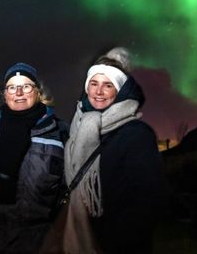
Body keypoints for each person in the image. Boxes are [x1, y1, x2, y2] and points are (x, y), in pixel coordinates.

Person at [62, 48, 167, 254]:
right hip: (80, 238)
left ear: (119, 91)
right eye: (94, 84)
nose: (98, 92)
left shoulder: (136, 133)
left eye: (108, 85)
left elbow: (150, 198)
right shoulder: (79, 127)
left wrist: (118, 240)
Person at [0, 62, 68, 253]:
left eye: (26, 86)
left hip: (41, 240)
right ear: (5, 94)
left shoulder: (59, 133)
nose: (19, 92)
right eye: (12, 87)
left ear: (38, 92)